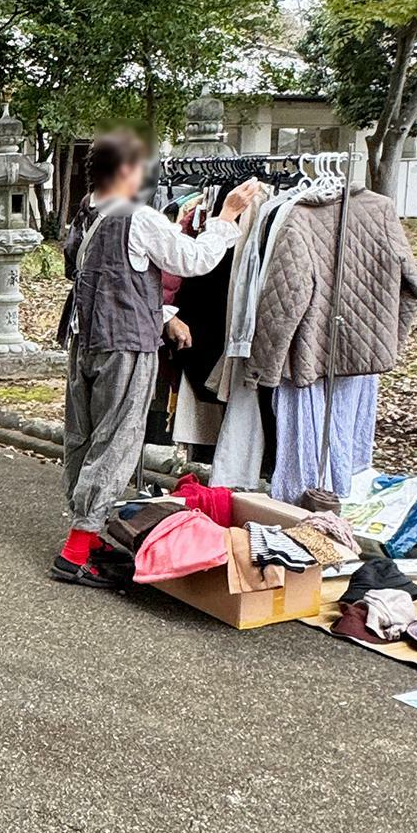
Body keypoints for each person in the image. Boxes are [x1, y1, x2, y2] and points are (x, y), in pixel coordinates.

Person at [55, 129, 261, 587]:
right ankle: (77, 549)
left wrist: (164, 311)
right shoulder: (138, 217)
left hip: (83, 339)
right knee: (118, 440)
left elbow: (91, 273)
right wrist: (226, 217)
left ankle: (89, 531)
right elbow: (192, 259)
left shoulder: (85, 214)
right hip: (125, 342)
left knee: (83, 437)